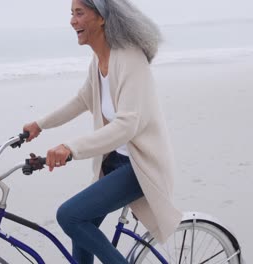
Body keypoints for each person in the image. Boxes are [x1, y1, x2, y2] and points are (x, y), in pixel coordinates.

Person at [22, 0, 182, 263]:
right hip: (114, 163)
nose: (72, 21)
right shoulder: (98, 61)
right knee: (81, 226)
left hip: (140, 167)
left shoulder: (130, 58)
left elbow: (127, 125)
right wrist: (40, 124)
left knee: (69, 215)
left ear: (101, 18)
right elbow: (81, 100)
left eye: (79, 13)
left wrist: (70, 148)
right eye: (71, 14)